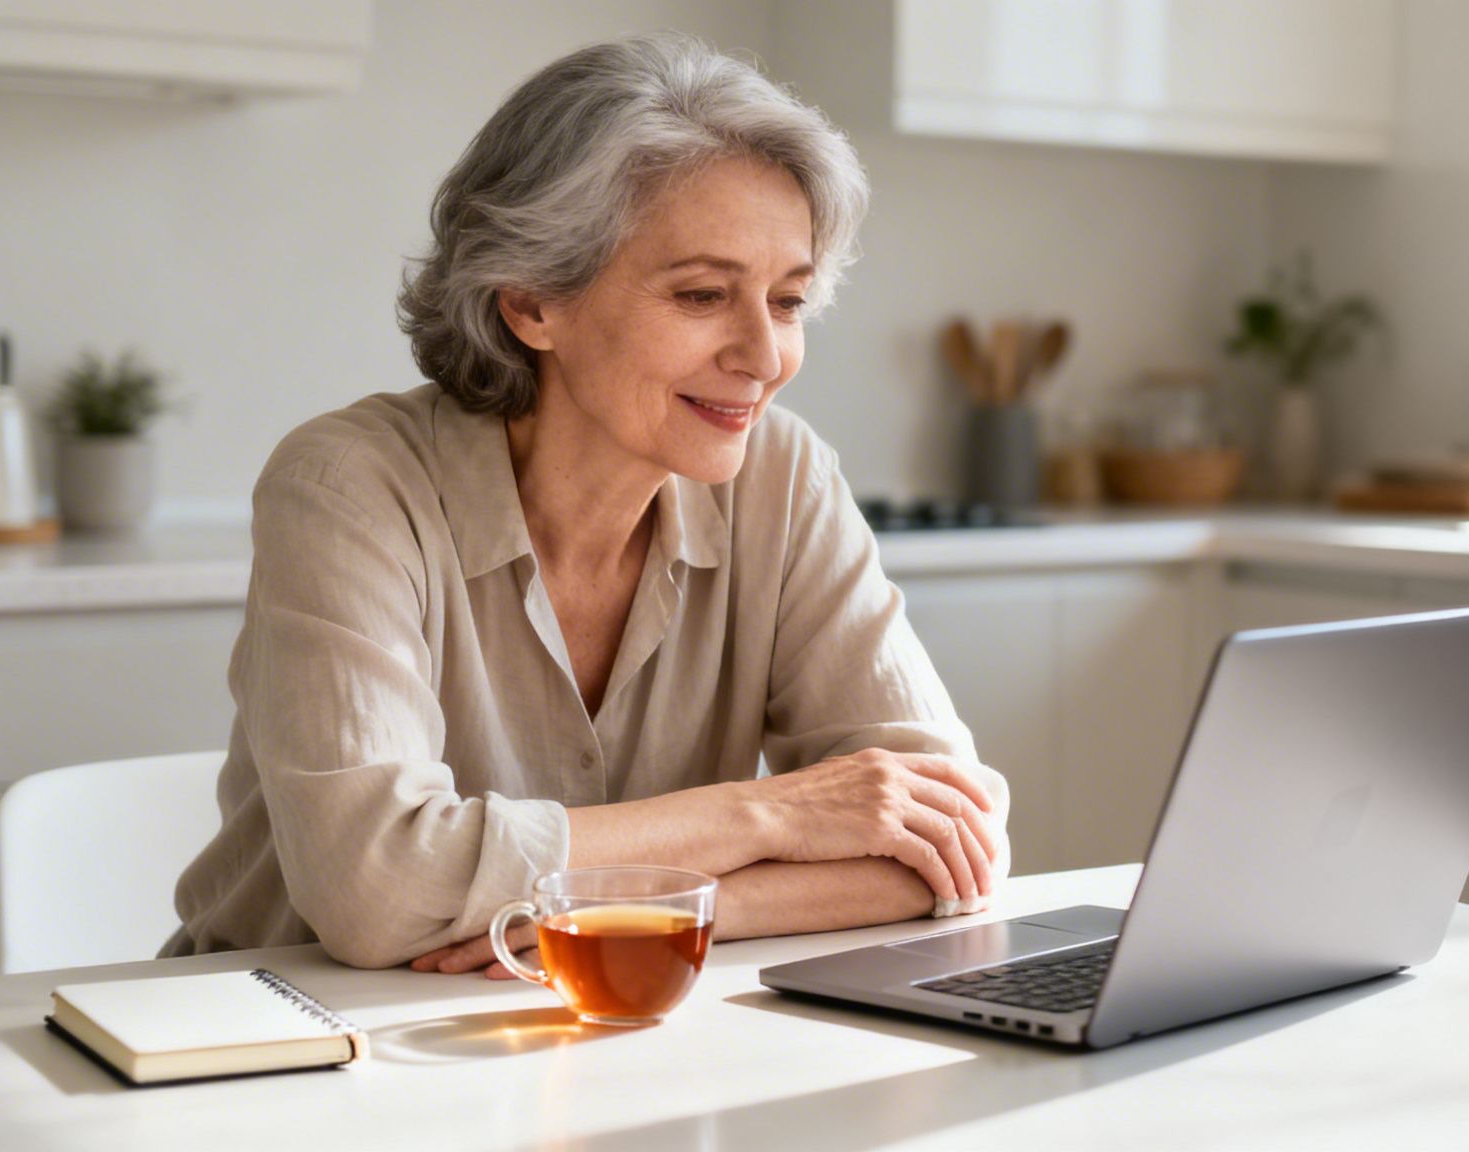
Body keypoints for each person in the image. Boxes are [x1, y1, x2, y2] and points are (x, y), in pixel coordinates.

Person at [163, 32, 1008, 977]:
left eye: (788, 301)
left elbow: (955, 840)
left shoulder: (787, 478)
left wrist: (630, 912)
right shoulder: (347, 487)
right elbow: (379, 891)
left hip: (592, 1033)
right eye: (701, 295)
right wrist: (769, 814)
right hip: (284, 1049)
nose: (764, 358)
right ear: (531, 301)